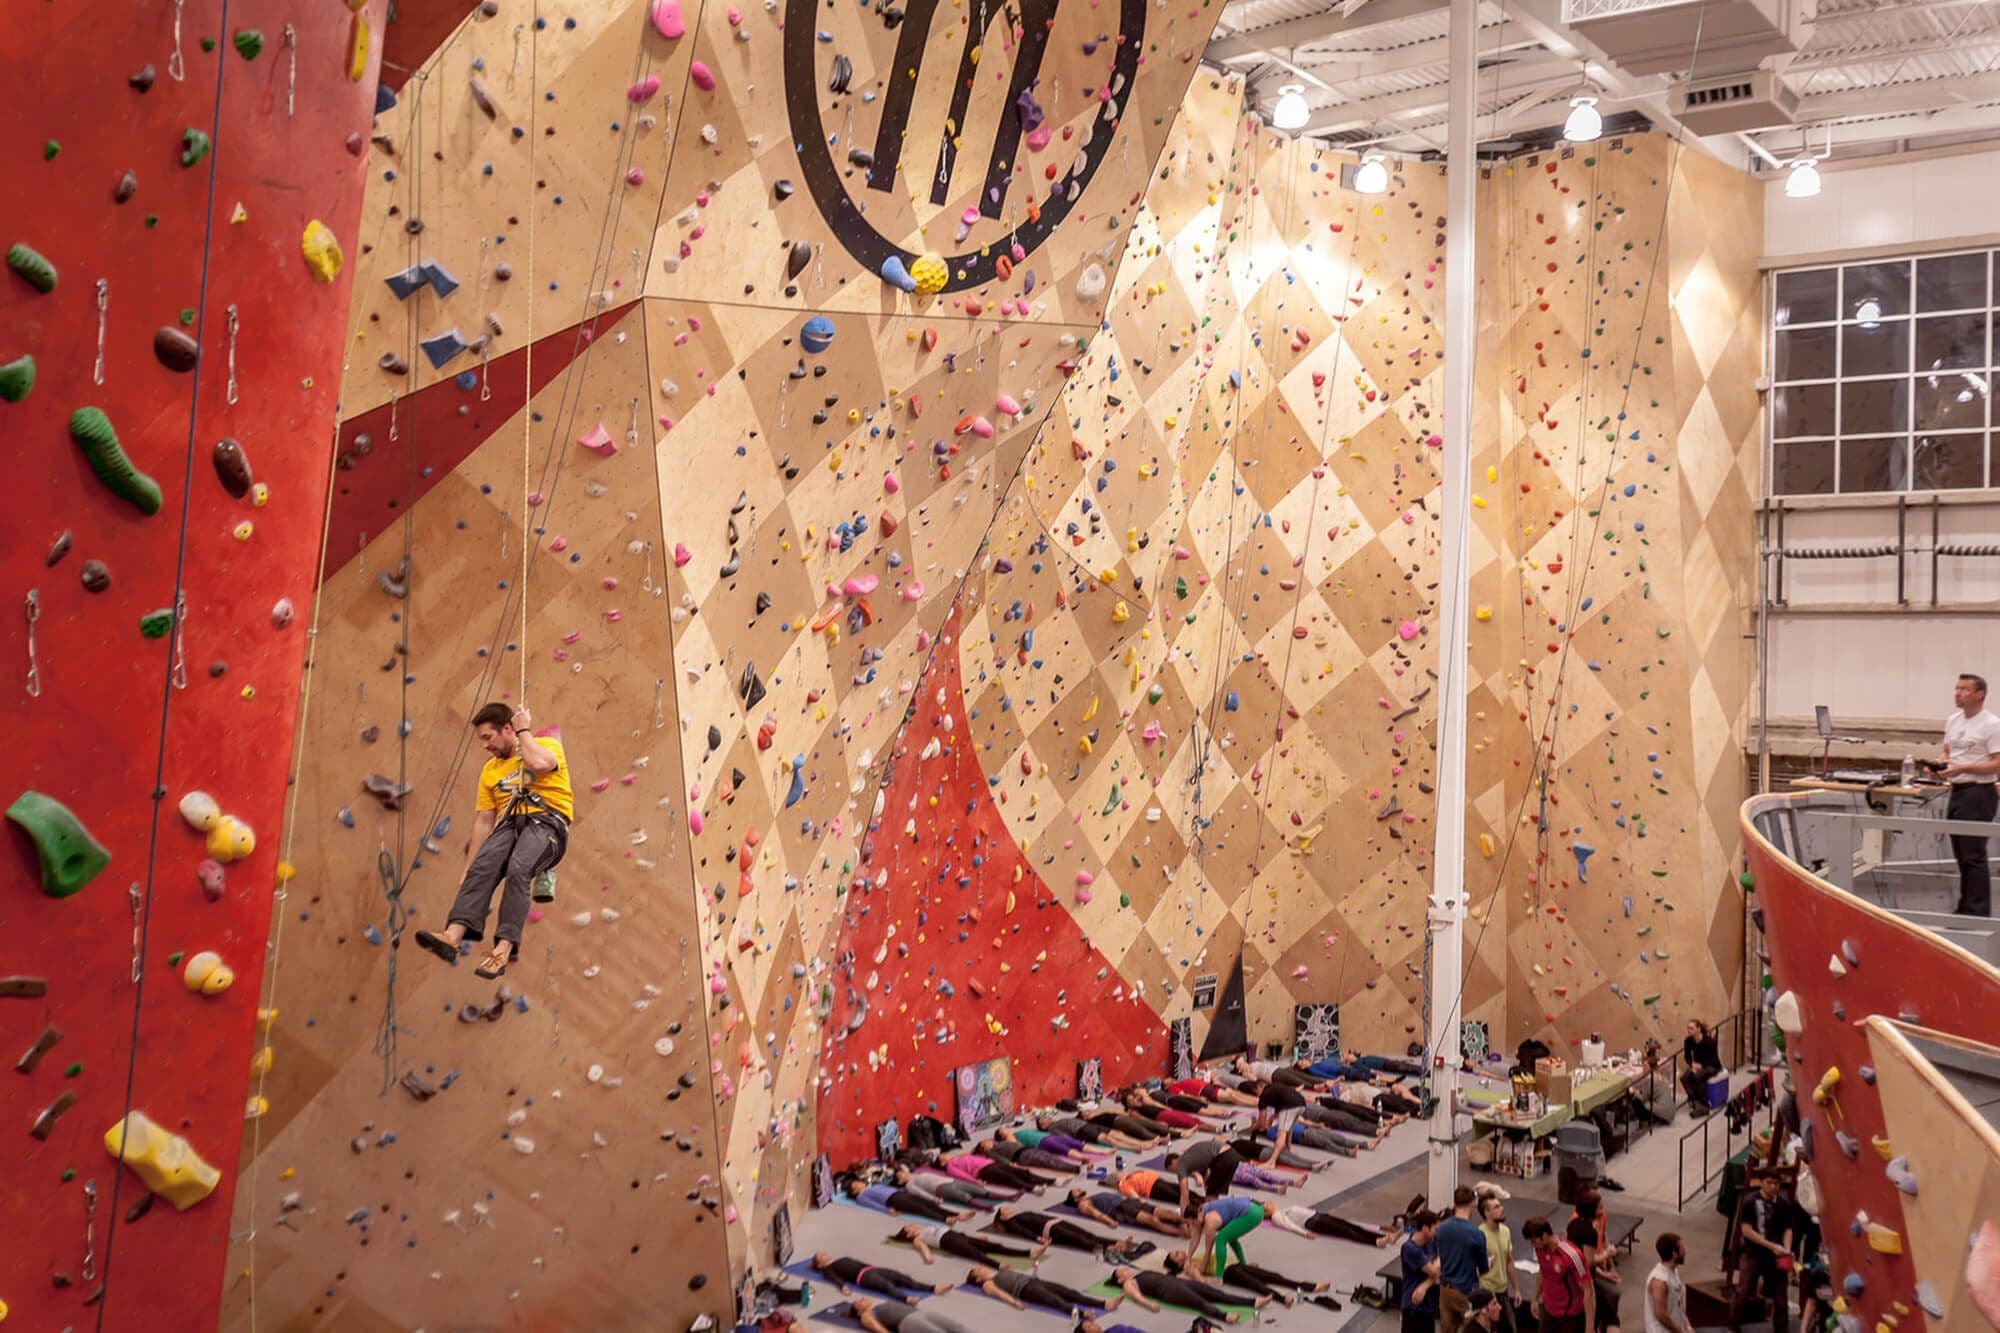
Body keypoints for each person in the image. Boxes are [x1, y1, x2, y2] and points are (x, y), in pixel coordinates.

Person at [413, 703, 573, 979]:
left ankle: (503, 948)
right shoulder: (490, 771)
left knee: (519, 867)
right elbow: (484, 822)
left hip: (547, 823)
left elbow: (539, 764)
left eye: (488, 737)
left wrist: (524, 730)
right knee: (482, 868)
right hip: (510, 825)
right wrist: (468, 867)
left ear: (507, 729)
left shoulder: (544, 745)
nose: (485, 745)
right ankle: (453, 934)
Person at [1937, 671, 2000, 915]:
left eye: (1964, 689)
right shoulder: (1953, 720)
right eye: (1957, 688)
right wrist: (1940, 764)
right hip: (1957, 791)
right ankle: (1965, 907)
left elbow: (1997, 763)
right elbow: (1946, 752)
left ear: (1979, 694)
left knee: (1973, 854)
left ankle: (1977, 911)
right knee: (1961, 853)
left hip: (1979, 792)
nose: (1958, 693)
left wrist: (1963, 768)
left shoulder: (1991, 725)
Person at [1164, 1248, 1337, 1309]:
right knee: (1257, 1285)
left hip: (1235, 1265)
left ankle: (1312, 1287)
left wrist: (1245, 1263)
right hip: (1228, 1273)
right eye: (1176, 1254)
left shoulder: (1194, 1256)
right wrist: (1212, 1279)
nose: (1179, 1251)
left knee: (1274, 1276)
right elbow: (1201, 1283)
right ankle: (1281, 1298)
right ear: (1178, 1263)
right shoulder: (1190, 1268)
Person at [1726, 1174, 1793, 1333]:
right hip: (1753, 1253)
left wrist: (1787, 1250)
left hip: (1776, 1256)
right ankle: (1732, 1327)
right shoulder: (1750, 1201)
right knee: (1744, 1292)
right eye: (1769, 1183)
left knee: (1781, 1299)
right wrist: (1771, 1246)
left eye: (1776, 1183)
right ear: (1762, 1183)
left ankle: (1782, 1330)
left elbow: (1788, 1229)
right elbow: (1747, 1231)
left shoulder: (1784, 1203)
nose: (1772, 1187)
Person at [1105, 1265, 1256, 1322]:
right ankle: (1224, 1317)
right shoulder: (1127, 1284)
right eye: (1122, 1271)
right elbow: (1136, 1297)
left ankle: (1252, 1302)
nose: (1126, 1270)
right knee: (1199, 1302)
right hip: (1169, 1291)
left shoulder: (1139, 1275)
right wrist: (1149, 1304)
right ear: (1119, 1280)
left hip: (1177, 1282)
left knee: (1217, 1294)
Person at [1435, 1185, 1491, 1332]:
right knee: (1473, 1328)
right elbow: (1483, 1268)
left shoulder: (1441, 1229)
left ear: (1455, 1203)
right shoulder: (1476, 1234)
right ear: (1473, 1204)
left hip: (1445, 1290)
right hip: (1465, 1291)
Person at [1526, 1215, 1594, 1333]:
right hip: (1548, 1310)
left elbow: (1588, 1290)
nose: (1532, 1245)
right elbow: (1543, 1271)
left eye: (1533, 1241)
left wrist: (1589, 1328)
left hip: (1570, 1317)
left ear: (1545, 1236)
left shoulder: (1572, 1256)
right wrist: (1534, 1298)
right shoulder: (1540, 1249)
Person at [1566, 1190, 1620, 1333]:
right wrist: (1607, 1253)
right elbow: (1589, 1261)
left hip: (1576, 1276)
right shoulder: (1588, 1231)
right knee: (1608, 1316)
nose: (1603, 1210)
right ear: (1592, 1210)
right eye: (1600, 1207)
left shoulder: (1574, 1224)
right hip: (1585, 1281)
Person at [964, 1264, 1106, 1314]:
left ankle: (1103, 1304)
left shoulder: (998, 1272)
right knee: (1055, 1300)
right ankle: (1082, 1314)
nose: (980, 1267)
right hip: (1026, 1290)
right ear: (977, 1279)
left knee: (1069, 1292)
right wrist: (1014, 1303)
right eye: (977, 1270)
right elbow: (1000, 1294)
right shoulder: (987, 1284)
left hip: (1034, 1281)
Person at [893, 1222, 1045, 1266]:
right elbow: (923, 1248)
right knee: (975, 1254)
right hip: (947, 1242)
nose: (912, 1225)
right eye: (909, 1227)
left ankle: (1028, 1253)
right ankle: (996, 1265)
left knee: (994, 1246)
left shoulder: (925, 1227)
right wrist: (927, 1258)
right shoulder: (917, 1239)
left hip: (957, 1236)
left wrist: (976, 1236)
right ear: (909, 1234)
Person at [809, 1253, 950, 1299]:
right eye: (820, 1255)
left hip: (871, 1269)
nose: (824, 1253)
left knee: (902, 1278)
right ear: (820, 1264)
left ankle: (933, 1288)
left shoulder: (839, 1259)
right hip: (863, 1277)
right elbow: (835, 1278)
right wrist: (843, 1287)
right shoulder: (827, 1269)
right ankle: (906, 1298)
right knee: (886, 1285)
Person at [1476, 1192, 1521, 1332]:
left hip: (1503, 1291)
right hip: (1487, 1292)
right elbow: (1473, 1267)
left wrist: (1517, 1289)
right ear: (1486, 1212)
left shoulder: (1506, 1231)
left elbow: (1509, 1261)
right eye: (1496, 1207)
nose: (1502, 1209)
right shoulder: (1479, 1235)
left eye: (1500, 1205)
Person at [842, 1177, 970, 1223]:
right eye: (855, 1185)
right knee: (920, 1209)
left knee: (927, 1203)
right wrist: (887, 1210)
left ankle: (956, 1214)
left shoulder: (872, 1185)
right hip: (892, 1200)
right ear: (854, 1191)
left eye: (857, 1182)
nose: (859, 1184)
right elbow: (872, 1205)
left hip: (899, 1193)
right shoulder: (861, 1196)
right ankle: (945, 1219)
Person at [1194, 1196, 1267, 1278]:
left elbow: (1209, 1246)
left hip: (1251, 1212)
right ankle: (1244, 1265)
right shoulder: (1207, 1209)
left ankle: (1218, 1277)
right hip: (1256, 1209)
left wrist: (1203, 1265)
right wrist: (1189, 1257)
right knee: (1231, 1238)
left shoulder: (1209, 1218)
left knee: (1220, 1239)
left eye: (1192, 1223)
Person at [1069, 1186, 1186, 1236]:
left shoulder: (1089, 1197)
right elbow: (1095, 1213)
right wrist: (1109, 1221)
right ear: (1075, 1198)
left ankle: (1189, 1220)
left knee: (1166, 1213)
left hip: (1128, 1202)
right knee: (1152, 1221)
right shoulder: (1082, 1204)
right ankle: (1182, 1233)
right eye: (1077, 1191)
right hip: (1120, 1209)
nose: (1079, 1189)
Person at [1270, 1201, 1389, 1247]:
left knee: (1352, 1226)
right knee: (1346, 1231)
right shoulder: (1276, 1216)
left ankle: (1381, 1236)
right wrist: (1305, 1233)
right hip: (1313, 1222)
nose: (1268, 1202)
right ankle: (1375, 1242)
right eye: (1265, 1203)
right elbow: (1290, 1226)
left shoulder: (1283, 1209)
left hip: (1319, 1215)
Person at [1401, 1208, 1442, 1332]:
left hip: (1428, 1304)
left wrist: (1424, 1286)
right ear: (1425, 1228)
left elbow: (1440, 1265)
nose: (1436, 1233)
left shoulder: (1431, 1243)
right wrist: (1438, 1264)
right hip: (1414, 1307)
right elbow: (1435, 1272)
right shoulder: (1410, 1249)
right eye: (1435, 1229)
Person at [1644, 1233, 1692, 1333]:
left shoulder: (1673, 1272)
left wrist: (1687, 1325)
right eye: (1682, 1249)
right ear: (1674, 1253)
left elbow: (1678, 1304)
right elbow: (1661, 1315)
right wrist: (1679, 1331)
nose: (1685, 1252)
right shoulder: (1660, 1281)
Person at [846, 1295, 970, 1333]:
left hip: (921, 1314)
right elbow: (877, 1328)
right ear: (858, 1311)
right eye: (858, 1302)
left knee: (959, 1327)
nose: (862, 1298)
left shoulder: (879, 1305)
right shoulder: (866, 1315)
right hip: (907, 1321)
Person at [1679, 1020, 1722, 1117]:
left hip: (1712, 1066)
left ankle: (1701, 1103)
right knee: (1684, 1078)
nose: (1689, 1030)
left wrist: (1701, 1066)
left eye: (1691, 1028)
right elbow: (1687, 1056)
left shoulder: (1709, 1041)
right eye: (1688, 1028)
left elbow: (1714, 1059)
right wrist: (1692, 1064)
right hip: (1697, 1066)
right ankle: (1696, 1101)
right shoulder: (1688, 1041)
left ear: (1698, 1029)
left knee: (1698, 1076)